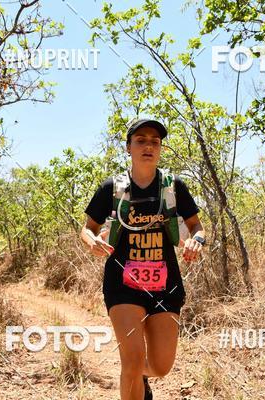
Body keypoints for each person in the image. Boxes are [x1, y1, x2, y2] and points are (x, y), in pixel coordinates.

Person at [80, 118, 205, 400]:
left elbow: (196, 226)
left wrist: (196, 241)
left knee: (161, 367)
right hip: (123, 284)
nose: (148, 146)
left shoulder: (173, 187)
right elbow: (87, 228)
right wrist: (92, 241)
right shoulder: (112, 188)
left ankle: (143, 376)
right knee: (132, 362)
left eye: (154, 141)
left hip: (165, 286)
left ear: (160, 148)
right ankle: (135, 375)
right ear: (129, 147)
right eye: (140, 140)